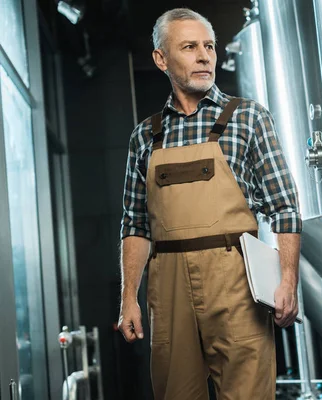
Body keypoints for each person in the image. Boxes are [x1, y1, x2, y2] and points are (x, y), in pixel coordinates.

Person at [117, 8, 302, 399]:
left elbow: (284, 206)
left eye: (209, 46)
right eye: (189, 47)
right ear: (161, 58)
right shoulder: (144, 137)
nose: (204, 56)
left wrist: (288, 280)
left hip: (235, 283)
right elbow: (134, 225)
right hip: (167, 291)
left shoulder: (247, 118)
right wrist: (128, 298)